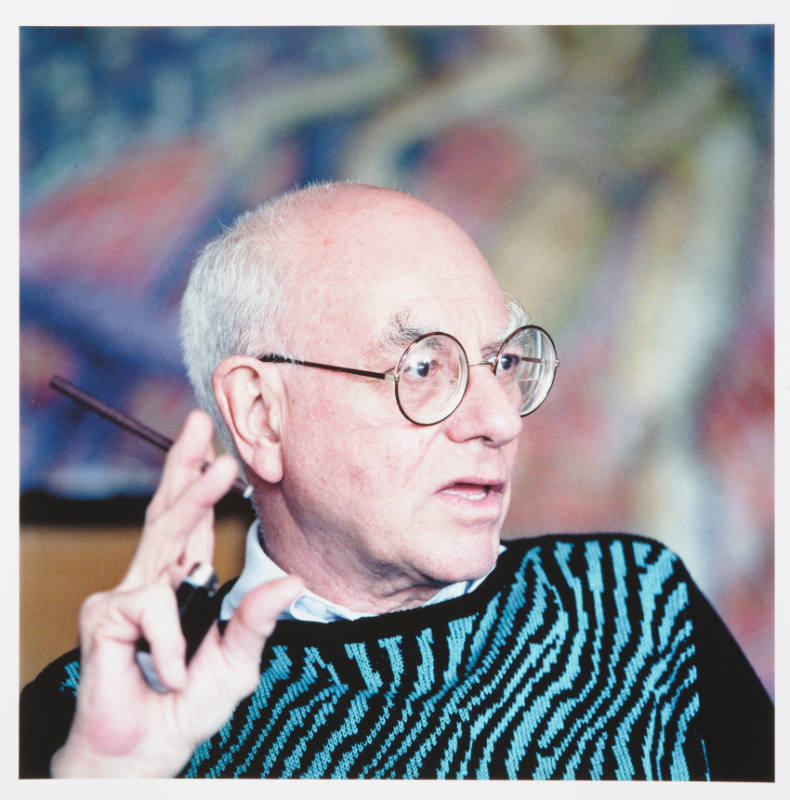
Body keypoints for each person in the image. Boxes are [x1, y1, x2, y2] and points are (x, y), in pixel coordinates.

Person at [20, 183, 773, 780]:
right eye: (423, 367)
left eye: (503, 363)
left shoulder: (636, 605)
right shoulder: (95, 719)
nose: (500, 421)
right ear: (260, 415)